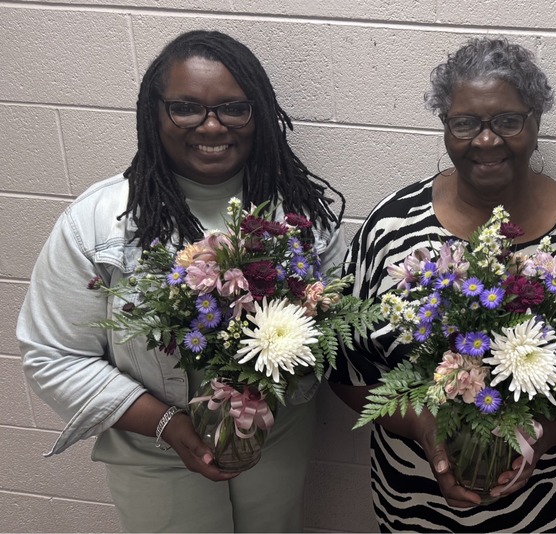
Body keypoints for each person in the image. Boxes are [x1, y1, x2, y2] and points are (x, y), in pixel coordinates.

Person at [17, 30, 345, 532]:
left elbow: (334, 332)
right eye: (186, 108)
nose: (212, 126)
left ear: (259, 114)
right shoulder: (100, 221)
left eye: (234, 108)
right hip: (153, 455)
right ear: (155, 114)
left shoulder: (301, 217)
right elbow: (53, 354)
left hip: (272, 446)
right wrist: (166, 423)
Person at [329, 37, 556, 532]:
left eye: (508, 120)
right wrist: (422, 425)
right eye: (466, 123)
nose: (486, 140)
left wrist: (543, 435)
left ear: (535, 121)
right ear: (445, 125)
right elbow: (345, 369)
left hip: (555, 507)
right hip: (419, 508)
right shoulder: (390, 229)